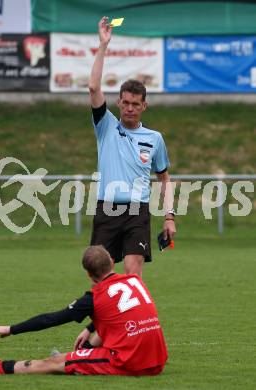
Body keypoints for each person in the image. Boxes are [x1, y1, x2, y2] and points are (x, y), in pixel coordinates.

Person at [0, 245, 168, 376]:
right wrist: (90, 327)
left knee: (55, 362)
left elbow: (51, 319)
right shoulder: (134, 280)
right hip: (157, 360)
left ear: (89, 275)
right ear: (112, 262)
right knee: (102, 330)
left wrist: (10, 329)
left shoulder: (93, 297)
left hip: (131, 363)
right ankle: (83, 356)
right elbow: (117, 312)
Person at [89, 17, 176, 277]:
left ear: (144, 106)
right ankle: (106, 317)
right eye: (125, 102)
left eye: (135, 104)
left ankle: (133, 319)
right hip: (107, 208)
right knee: (99, 278)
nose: (129, 108)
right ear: (118, 102)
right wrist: (103, 45)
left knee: (132, 272)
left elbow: (164, 178)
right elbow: (93, 87)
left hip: (137, 210)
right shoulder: (106, 126)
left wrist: (169, 216)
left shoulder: (154, 138)